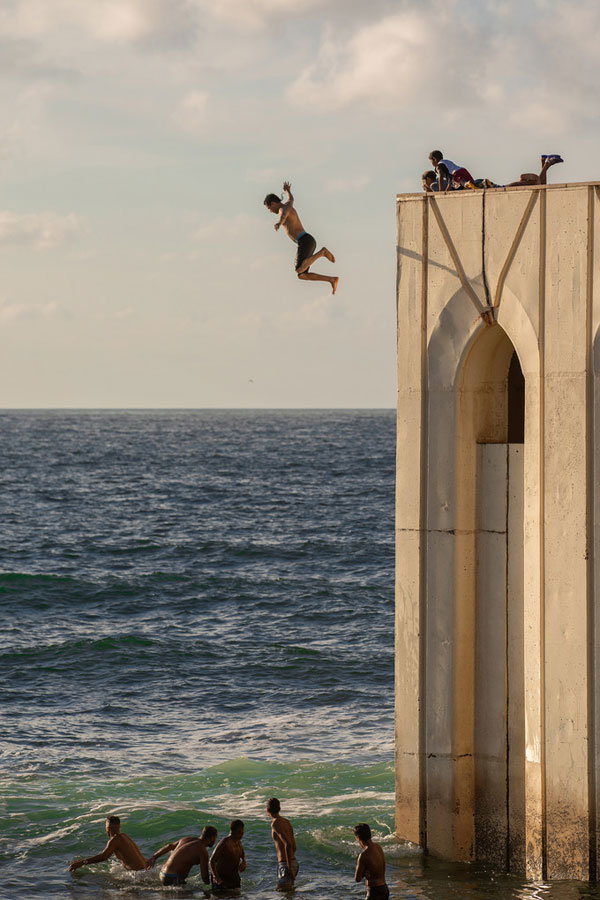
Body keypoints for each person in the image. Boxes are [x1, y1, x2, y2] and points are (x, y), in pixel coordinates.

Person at [264, 181, 339, 294]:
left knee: (299, 269)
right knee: (302, 275)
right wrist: (288, 191)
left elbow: (283, 216)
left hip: (305, 241)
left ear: (273, 203)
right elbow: (291, 199)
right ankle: (332, 279)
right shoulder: (288, 205)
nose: (270, 211)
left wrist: (279, 223)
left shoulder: (282, 210)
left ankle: (322, 253)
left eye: (269, 208)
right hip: (307, 240)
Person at [68, 815, 147, 873]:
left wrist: (82, 863)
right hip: (146, 871)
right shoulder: (124, 836)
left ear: (108, 829)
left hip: (139, 875)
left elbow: (103, 857)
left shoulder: (114, 840)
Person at [146, 825, 218, 887]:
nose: (215, 840)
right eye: (215, 838)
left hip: (162, 873)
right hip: (172, 878)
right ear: (212, 838)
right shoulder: (202, 850)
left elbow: (169, 846)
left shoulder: (187, 839)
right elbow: (204, 876)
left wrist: (154, 857)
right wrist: (212, 887)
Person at [266, 797, 299, 890]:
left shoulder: (275, 823)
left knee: (282, 892)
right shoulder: (286, 822)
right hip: (294, 862)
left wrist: (288, 867)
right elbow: (294, 846)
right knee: (288, 894)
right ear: (279, 809)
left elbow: (288, 844)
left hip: (286, 864)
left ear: (267, 810)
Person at [353, 823, 389, 900]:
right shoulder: (378, 847)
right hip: (384, 888)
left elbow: (357, 879)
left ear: (358, 838)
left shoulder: (364, 855)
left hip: (374, 892)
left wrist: (363, 871)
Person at [210, 819, 247, 893]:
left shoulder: (238, 842)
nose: (242, 834)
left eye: (242, 831)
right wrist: (217, 878)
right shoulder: (224, 843)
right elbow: (211, 861)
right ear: (233, 831)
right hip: (221, 878)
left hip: (233, 877)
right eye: (239, 832)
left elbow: (243, 855)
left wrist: (243, 862)